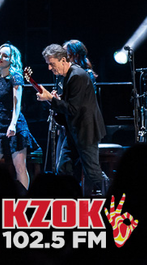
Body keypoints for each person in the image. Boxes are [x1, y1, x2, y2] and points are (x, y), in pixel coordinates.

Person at [36, 44, 107, 196]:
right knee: (64, 168)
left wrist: (50, 98)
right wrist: (54, 99)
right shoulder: (68, 75)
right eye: (47, 64)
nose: (49, 68)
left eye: (51, 64)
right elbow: (73, 103)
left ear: (62, 60)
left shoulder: (77, 76)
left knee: (92, 171)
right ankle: (69, 202)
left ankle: (116, 195)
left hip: (86, 131)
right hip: (74, 131)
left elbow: (73, 109)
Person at [0, 43, 38, 191]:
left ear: (12, 60)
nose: (1, 57)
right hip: (0, 127)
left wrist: (13, 124)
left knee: (19, 166)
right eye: (0, 54)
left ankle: (24, 200)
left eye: (5, 55)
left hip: (16, 125)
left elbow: (17, 104)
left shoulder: (16, 77)